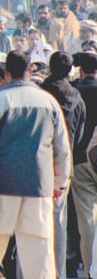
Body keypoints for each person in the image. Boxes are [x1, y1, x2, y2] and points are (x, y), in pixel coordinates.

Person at [0, 51, 71, 279]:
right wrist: (59, 184)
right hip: (39, 190)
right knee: (40, 260)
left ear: (6, 73)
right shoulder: (49, 102)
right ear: (30, 71)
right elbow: (62, 149)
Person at [40, 52, 86, 279]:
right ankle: (59, 269)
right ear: (70, 71)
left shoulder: (41, 92)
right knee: (60, 218)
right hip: (65, 161)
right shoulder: (76, 96)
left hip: (40, 158)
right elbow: (80, 132)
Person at [72, 50, 97, 275]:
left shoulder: (75, 91)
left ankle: (90, 268)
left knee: (86, 219)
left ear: (81, 69)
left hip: (80, 160)